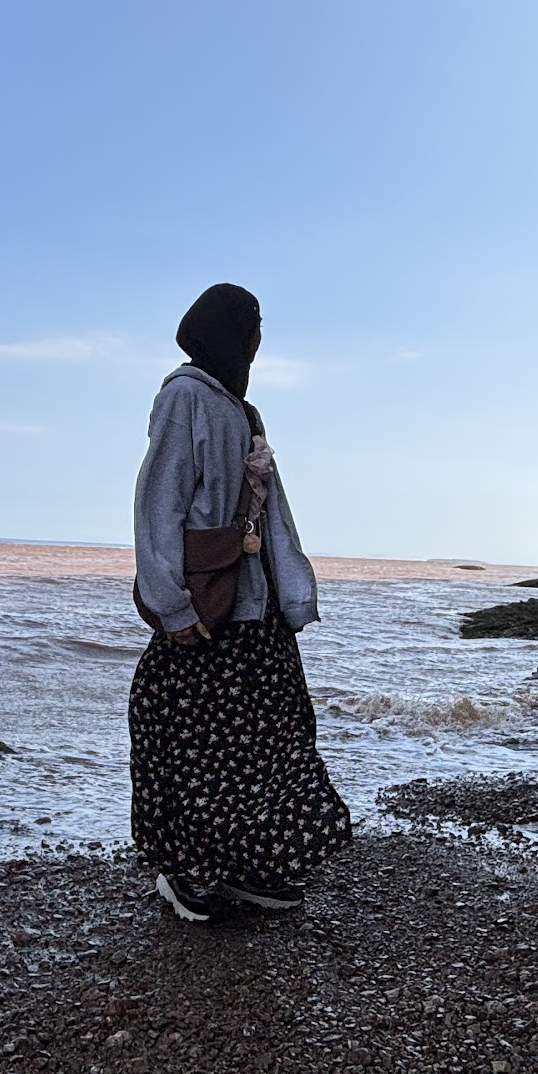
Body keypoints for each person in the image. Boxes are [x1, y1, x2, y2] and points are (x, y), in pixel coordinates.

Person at [130, 284, 351, 923]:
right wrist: (173, 604)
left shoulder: (230, 408)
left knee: (193, 741)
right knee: (257, 745)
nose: (254, 341)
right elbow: (161, 504)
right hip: (231, 613)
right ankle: (250, 871)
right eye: (250, 330)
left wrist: (180, 608)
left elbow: (163, 504)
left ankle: (204, 875)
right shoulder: (194, 398)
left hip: (226, 615)